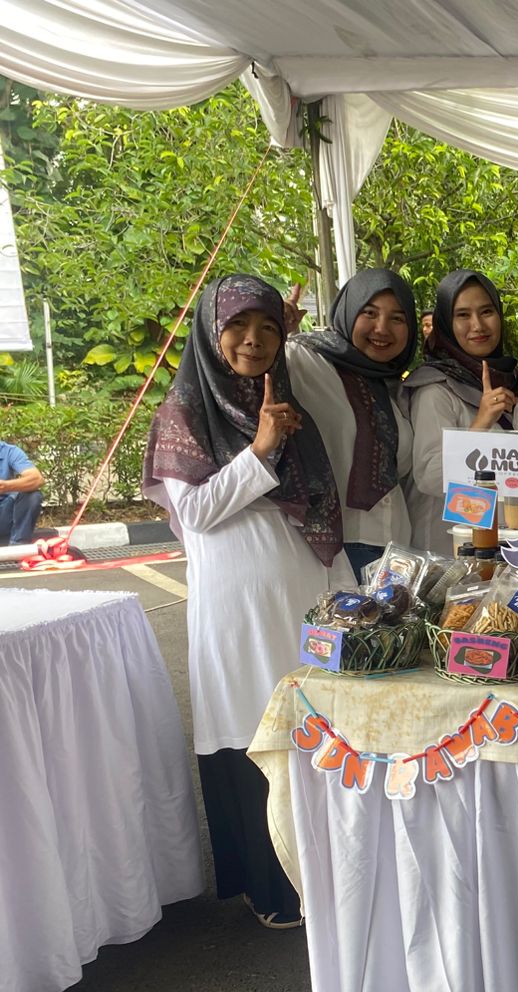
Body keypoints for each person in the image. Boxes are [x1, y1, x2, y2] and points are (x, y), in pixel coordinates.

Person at [143, 274, 353, 929]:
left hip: (300, 598)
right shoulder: (184, 414)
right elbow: (197, 511)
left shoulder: (283, 400)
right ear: (212, 333)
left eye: (266, 327)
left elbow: (316, 500)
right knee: (253, 734)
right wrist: (261, 449)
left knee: (309, 733)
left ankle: (322, 874)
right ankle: (271, 888)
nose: (253, 341)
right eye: (237, 326)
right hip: (238, 613)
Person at [286, 269, 418, 576]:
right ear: (348, 310)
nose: (382, 328)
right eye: (369, 313)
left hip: (395, 548)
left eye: (397, 318)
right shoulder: (302, 359)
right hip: (332, 550)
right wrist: (276, 331)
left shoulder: (395, 387)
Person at [403, 270, 518, 553]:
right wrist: (481, 423)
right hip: (448, 552)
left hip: (497, 548)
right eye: (463, 315)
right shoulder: (434, 389)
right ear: (446, 323)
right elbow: (430, 474)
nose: (478, 325)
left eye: (486, 311)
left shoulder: (510, 380)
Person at [0, 439, 44, 545]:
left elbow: (37, 479)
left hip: (4, 513)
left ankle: (18, 544)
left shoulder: (10, 451)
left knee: (33, 496)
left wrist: (5, 486)